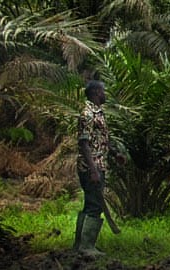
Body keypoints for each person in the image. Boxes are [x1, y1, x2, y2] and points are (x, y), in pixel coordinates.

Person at [74, 79, 112, 256]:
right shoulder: (87, 114)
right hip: (91, 167)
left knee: (90, 203)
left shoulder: (98, 113)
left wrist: (114, 153)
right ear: (97, 92)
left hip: (98, 164)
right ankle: (86, 247)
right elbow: (84, 143)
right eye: (103, 91)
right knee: (95, 205)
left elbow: (100, 139)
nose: (105, 94)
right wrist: (93, 170)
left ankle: (80, 245)